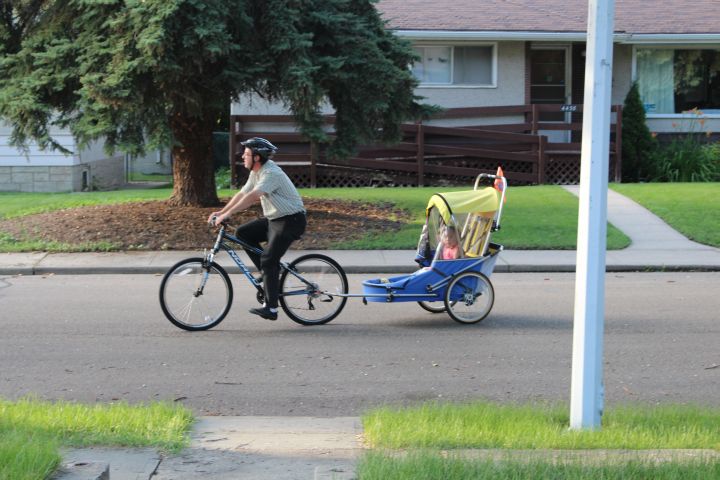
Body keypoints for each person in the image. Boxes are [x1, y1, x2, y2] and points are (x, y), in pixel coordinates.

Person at [208, 137, 306, 321]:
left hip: (291, 221)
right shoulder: (256, 172)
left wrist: (227, 215)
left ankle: (271, 308)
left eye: (246, 154)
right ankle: (268, 273)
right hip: (275, 219)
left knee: (269, 259)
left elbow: (254, 196)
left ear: (257, 157)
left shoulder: (271, 173)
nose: (242, 157)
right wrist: (222, 211)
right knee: (243, 233)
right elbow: (243, 193)